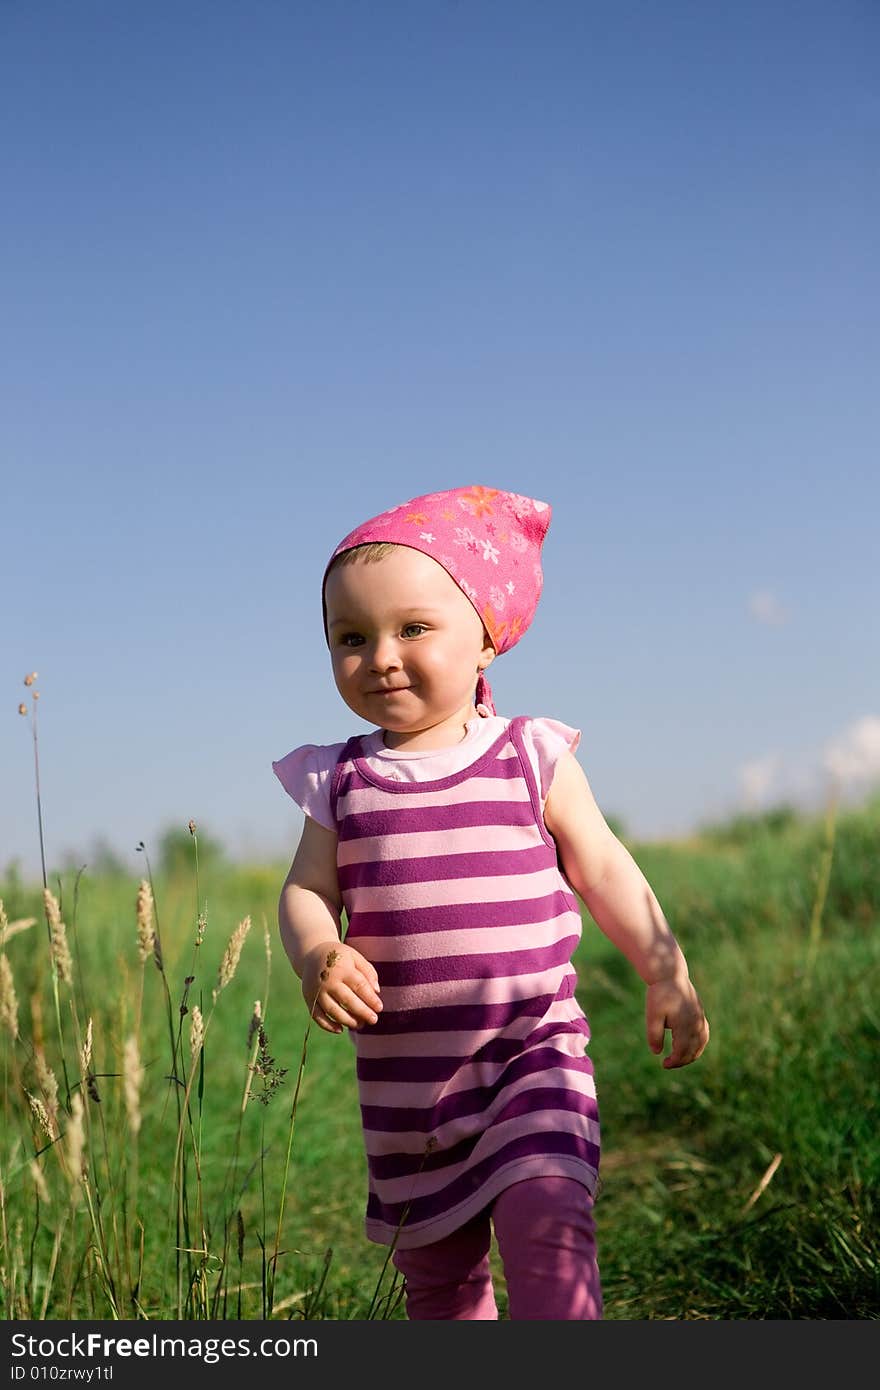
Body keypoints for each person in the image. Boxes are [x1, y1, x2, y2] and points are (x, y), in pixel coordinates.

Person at [273, 484, 709, 1321]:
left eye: (413, 628)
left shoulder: (529, 753)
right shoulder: (340, 778)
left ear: (485, 640)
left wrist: (666, 970)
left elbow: (605, 867)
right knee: (439, 1282)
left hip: (530, 1054)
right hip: (409, 1089)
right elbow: (306, 890)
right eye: (350, 638)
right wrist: (318, 952)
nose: (381, 656)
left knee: (548, 1228)